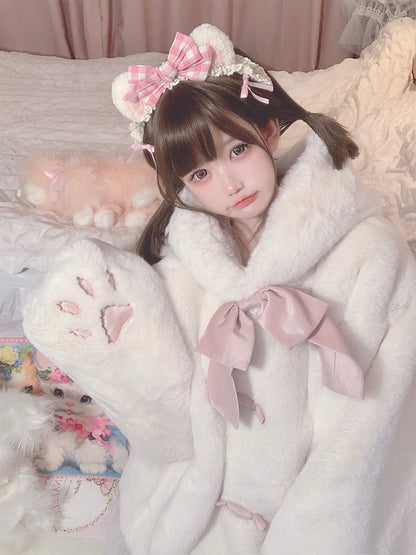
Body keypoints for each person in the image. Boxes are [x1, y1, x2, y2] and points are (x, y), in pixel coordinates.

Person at [23, 24, 416, 554]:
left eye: (237, 150)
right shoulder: (189, 263)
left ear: (270, 131)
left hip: (323, 514)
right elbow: (171, 408)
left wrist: (314, 528)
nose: (229, 184)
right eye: (200, 174)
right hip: (205, 509)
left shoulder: (369, 252)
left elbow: (372, 417)